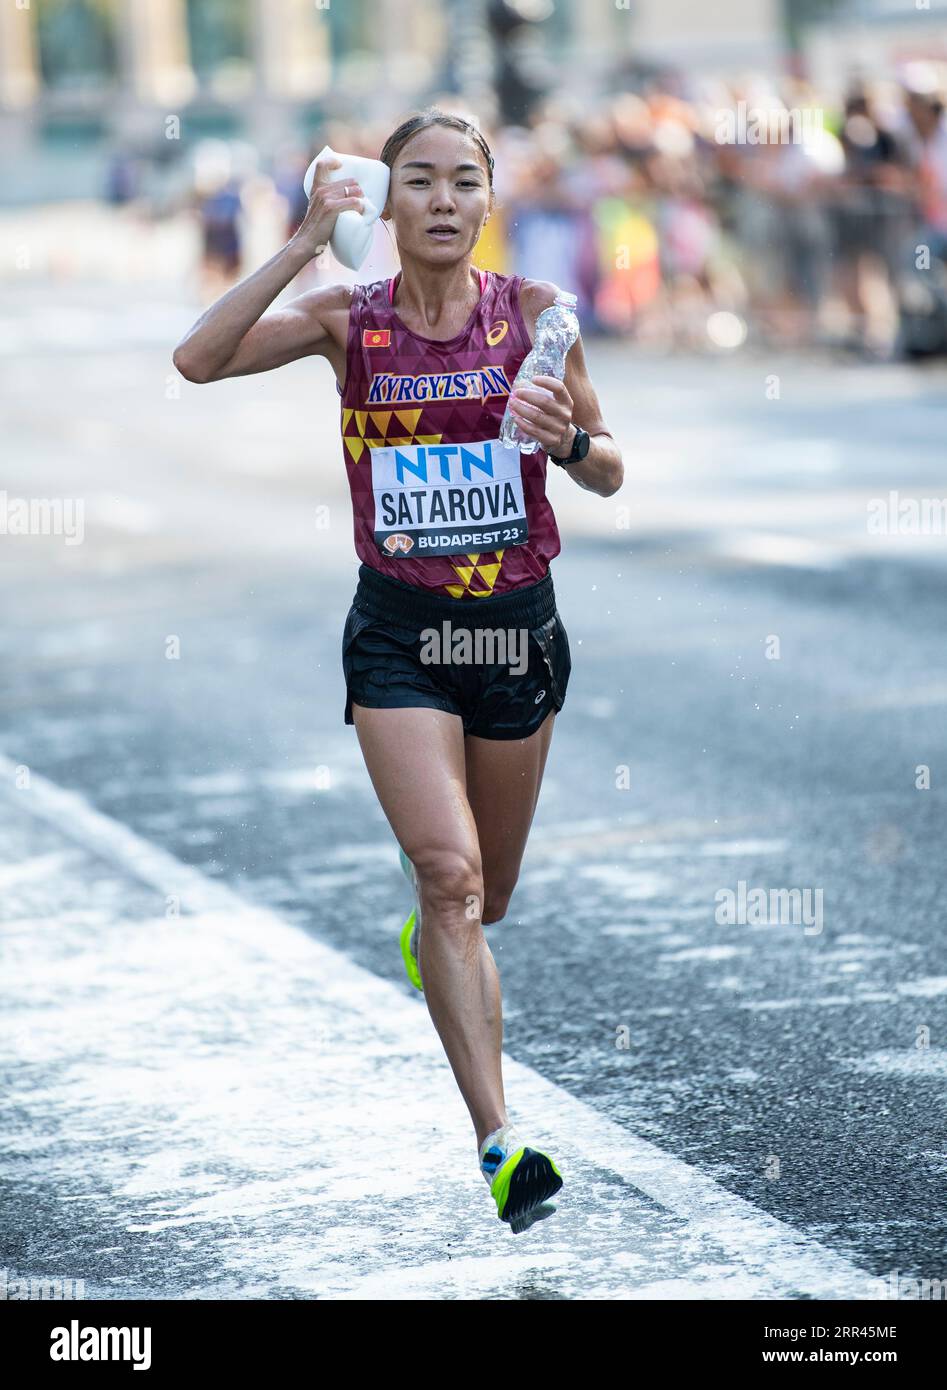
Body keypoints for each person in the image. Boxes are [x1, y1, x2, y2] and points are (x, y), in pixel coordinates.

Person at [172, 108, 623, 1234]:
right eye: (413, 181)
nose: (437, 201)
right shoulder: (346, 320)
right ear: (386, 200)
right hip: (399, 635)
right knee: (449, 876)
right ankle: (500, 1143)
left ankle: (440, 944)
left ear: (484, 201)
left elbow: (610, 471)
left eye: (460, 182)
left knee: (491, 898)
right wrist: (300, 237)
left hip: (511, 630)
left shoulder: (535, 317)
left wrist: (566, 438)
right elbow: (197, 358)